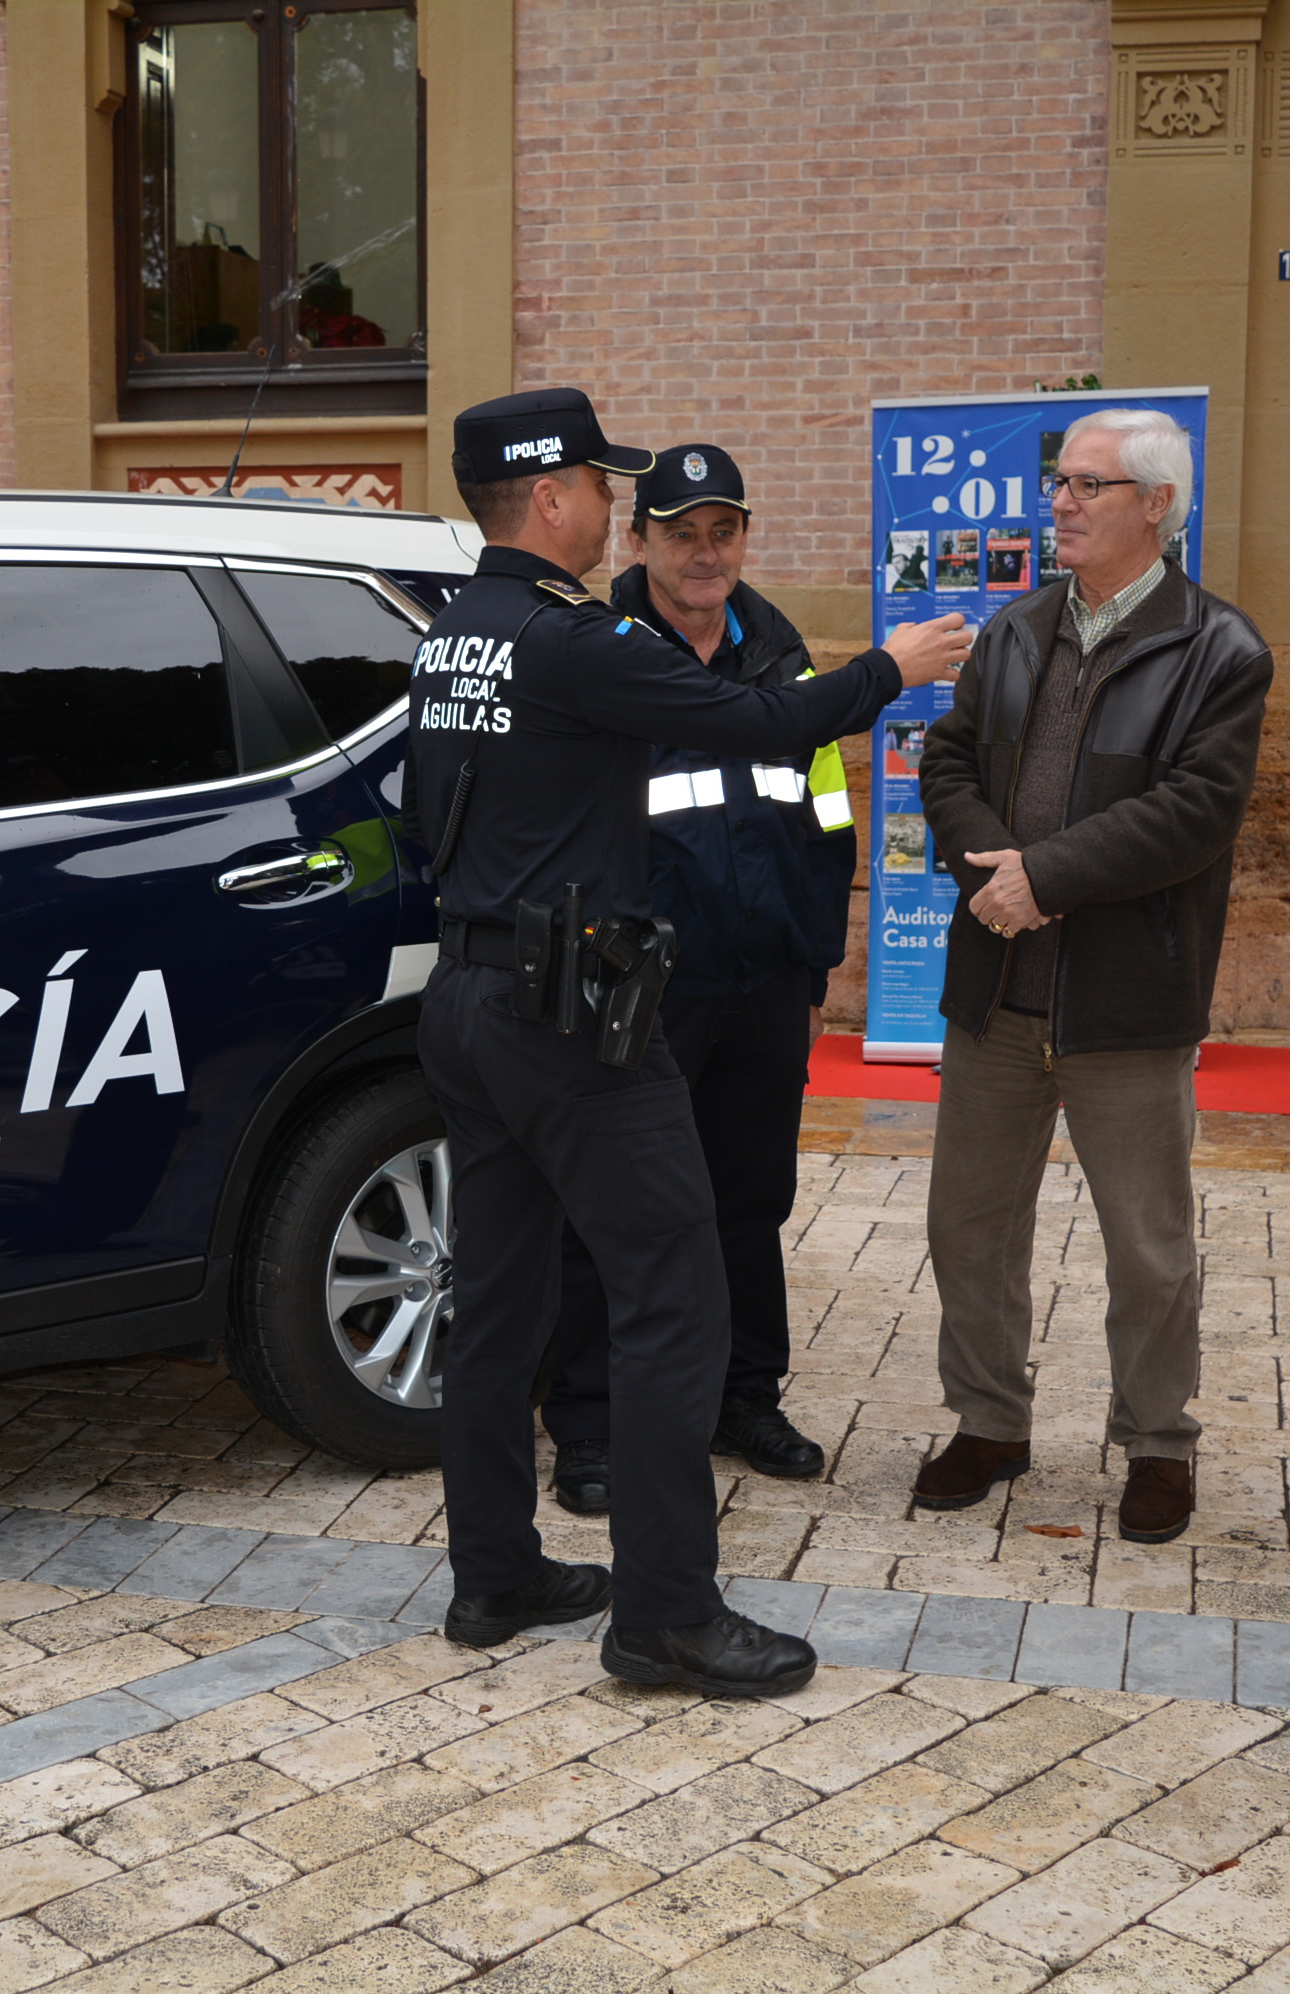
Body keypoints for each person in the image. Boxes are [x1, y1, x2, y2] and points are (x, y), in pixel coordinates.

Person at [411, 388, 969, 1696]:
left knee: (496, 1301)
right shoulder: (572, 637)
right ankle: (665, 1613)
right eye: (600, 483)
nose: (612, 501)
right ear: (549, 498)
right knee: (676, 1289)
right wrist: (897, 668)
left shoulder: (454, 636)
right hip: (569, 1015)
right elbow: (769, 722)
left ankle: (493, 1571)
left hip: (470, 1001)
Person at [913, 407, 1272, 1544]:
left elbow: (1194, 814)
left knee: (1148, 1244)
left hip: (1127, 1002)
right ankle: (989, 1419)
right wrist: (994, 865)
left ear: (1157, 505)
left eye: (1087, 484)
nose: (1058, 501)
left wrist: (1046, 877)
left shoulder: (1223, 649)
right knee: (967, 1227)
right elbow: (947, 757)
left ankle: (1157, 1442)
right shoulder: (1014, 631)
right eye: (1057, 480)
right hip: (997, 994)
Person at [539, 444, 863, 1513]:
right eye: (680, 531)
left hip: (763, 981)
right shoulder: (604, 652)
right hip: (643, 986)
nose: (703, 552)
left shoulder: (781, 653)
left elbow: (825, 819)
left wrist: (812, 959)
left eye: (722, 530)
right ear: (637, 541)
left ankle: (742, 1395)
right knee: (612, 1210)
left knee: (748, 1199)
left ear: (742, 538)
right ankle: (589, 1428)